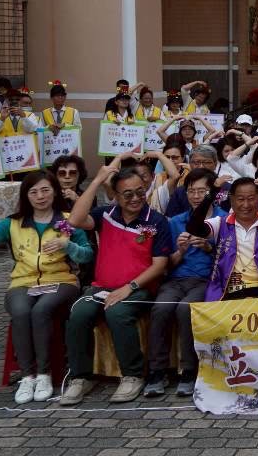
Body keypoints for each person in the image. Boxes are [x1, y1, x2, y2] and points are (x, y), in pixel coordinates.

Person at [0, 172, 92, 404]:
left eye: (45, 190)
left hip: (61, 281)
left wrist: (68, 245)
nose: (40, 196)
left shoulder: (68, 220)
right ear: (26, 196)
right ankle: (27, 377)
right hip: (22, 282)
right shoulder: (13, 223)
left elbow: (87, 255)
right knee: (21, 311)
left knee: (41, 310)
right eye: (33, 192)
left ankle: (44, 374)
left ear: (55, 191)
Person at [62, 159, 174, 404]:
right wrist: (97, 181)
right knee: (78, 314)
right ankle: (80, 377)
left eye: (140, 192)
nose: (135, 198)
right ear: (116, 195)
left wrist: (129, 287)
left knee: (117, 312)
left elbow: (159, 265)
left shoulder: (156, 221)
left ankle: (133, 375)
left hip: (139, 288)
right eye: (127, 194)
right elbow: (75, 220)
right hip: (102, 287)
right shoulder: (106, 215)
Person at [144, 168, 219, 398]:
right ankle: (157, 371)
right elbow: (167, 264)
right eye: (191, 191)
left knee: (185, 309)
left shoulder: (223, 219)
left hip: (206, 280)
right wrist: (180, 250)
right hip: (176, 280)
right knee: (161, 308)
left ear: (212, 193)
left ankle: (189, 370)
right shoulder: (176, 221)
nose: (196, 196)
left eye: (202, 191)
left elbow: (229, 260)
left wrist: (209, 247)